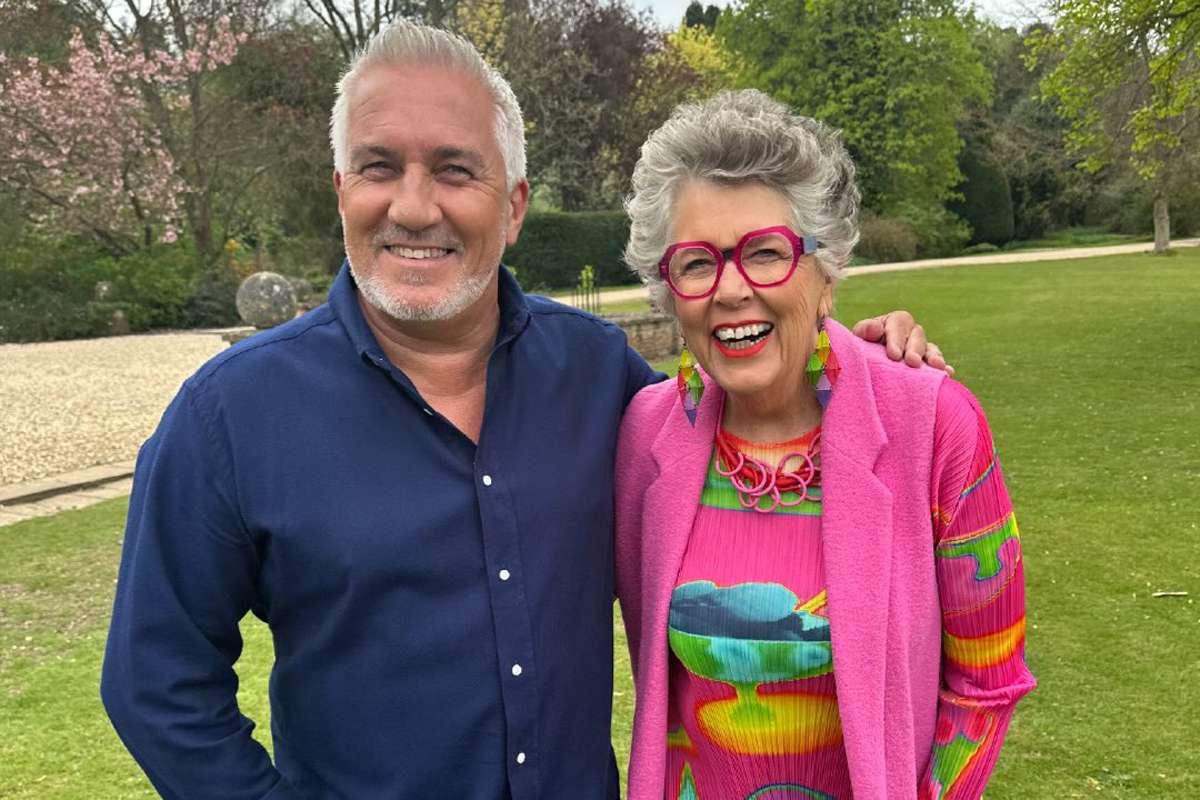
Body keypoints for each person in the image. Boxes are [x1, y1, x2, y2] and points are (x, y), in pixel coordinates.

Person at [101, 23, 947, 800]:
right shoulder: (231, 416)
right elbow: (156, 682)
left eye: (454, 169)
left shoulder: (601, 377)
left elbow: (751, 402)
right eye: (379, 167)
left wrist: (859, 360)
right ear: (341, 190)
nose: (413, 207)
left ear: (513, 205)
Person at [614, 90, 1035, 800]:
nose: (731, 290)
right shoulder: (646, 435)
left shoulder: (936, 426)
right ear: (669, 288)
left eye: (767, 253)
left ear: (827, 270)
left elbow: (988, 683)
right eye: (696, 263)